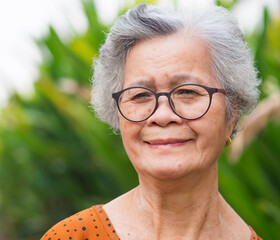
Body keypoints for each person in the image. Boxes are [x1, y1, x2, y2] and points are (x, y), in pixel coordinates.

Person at [41, 3, 262, 240]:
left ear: (232, 112)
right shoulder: (74, 236)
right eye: (141, 95)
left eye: (188, 92)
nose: (163, 116)